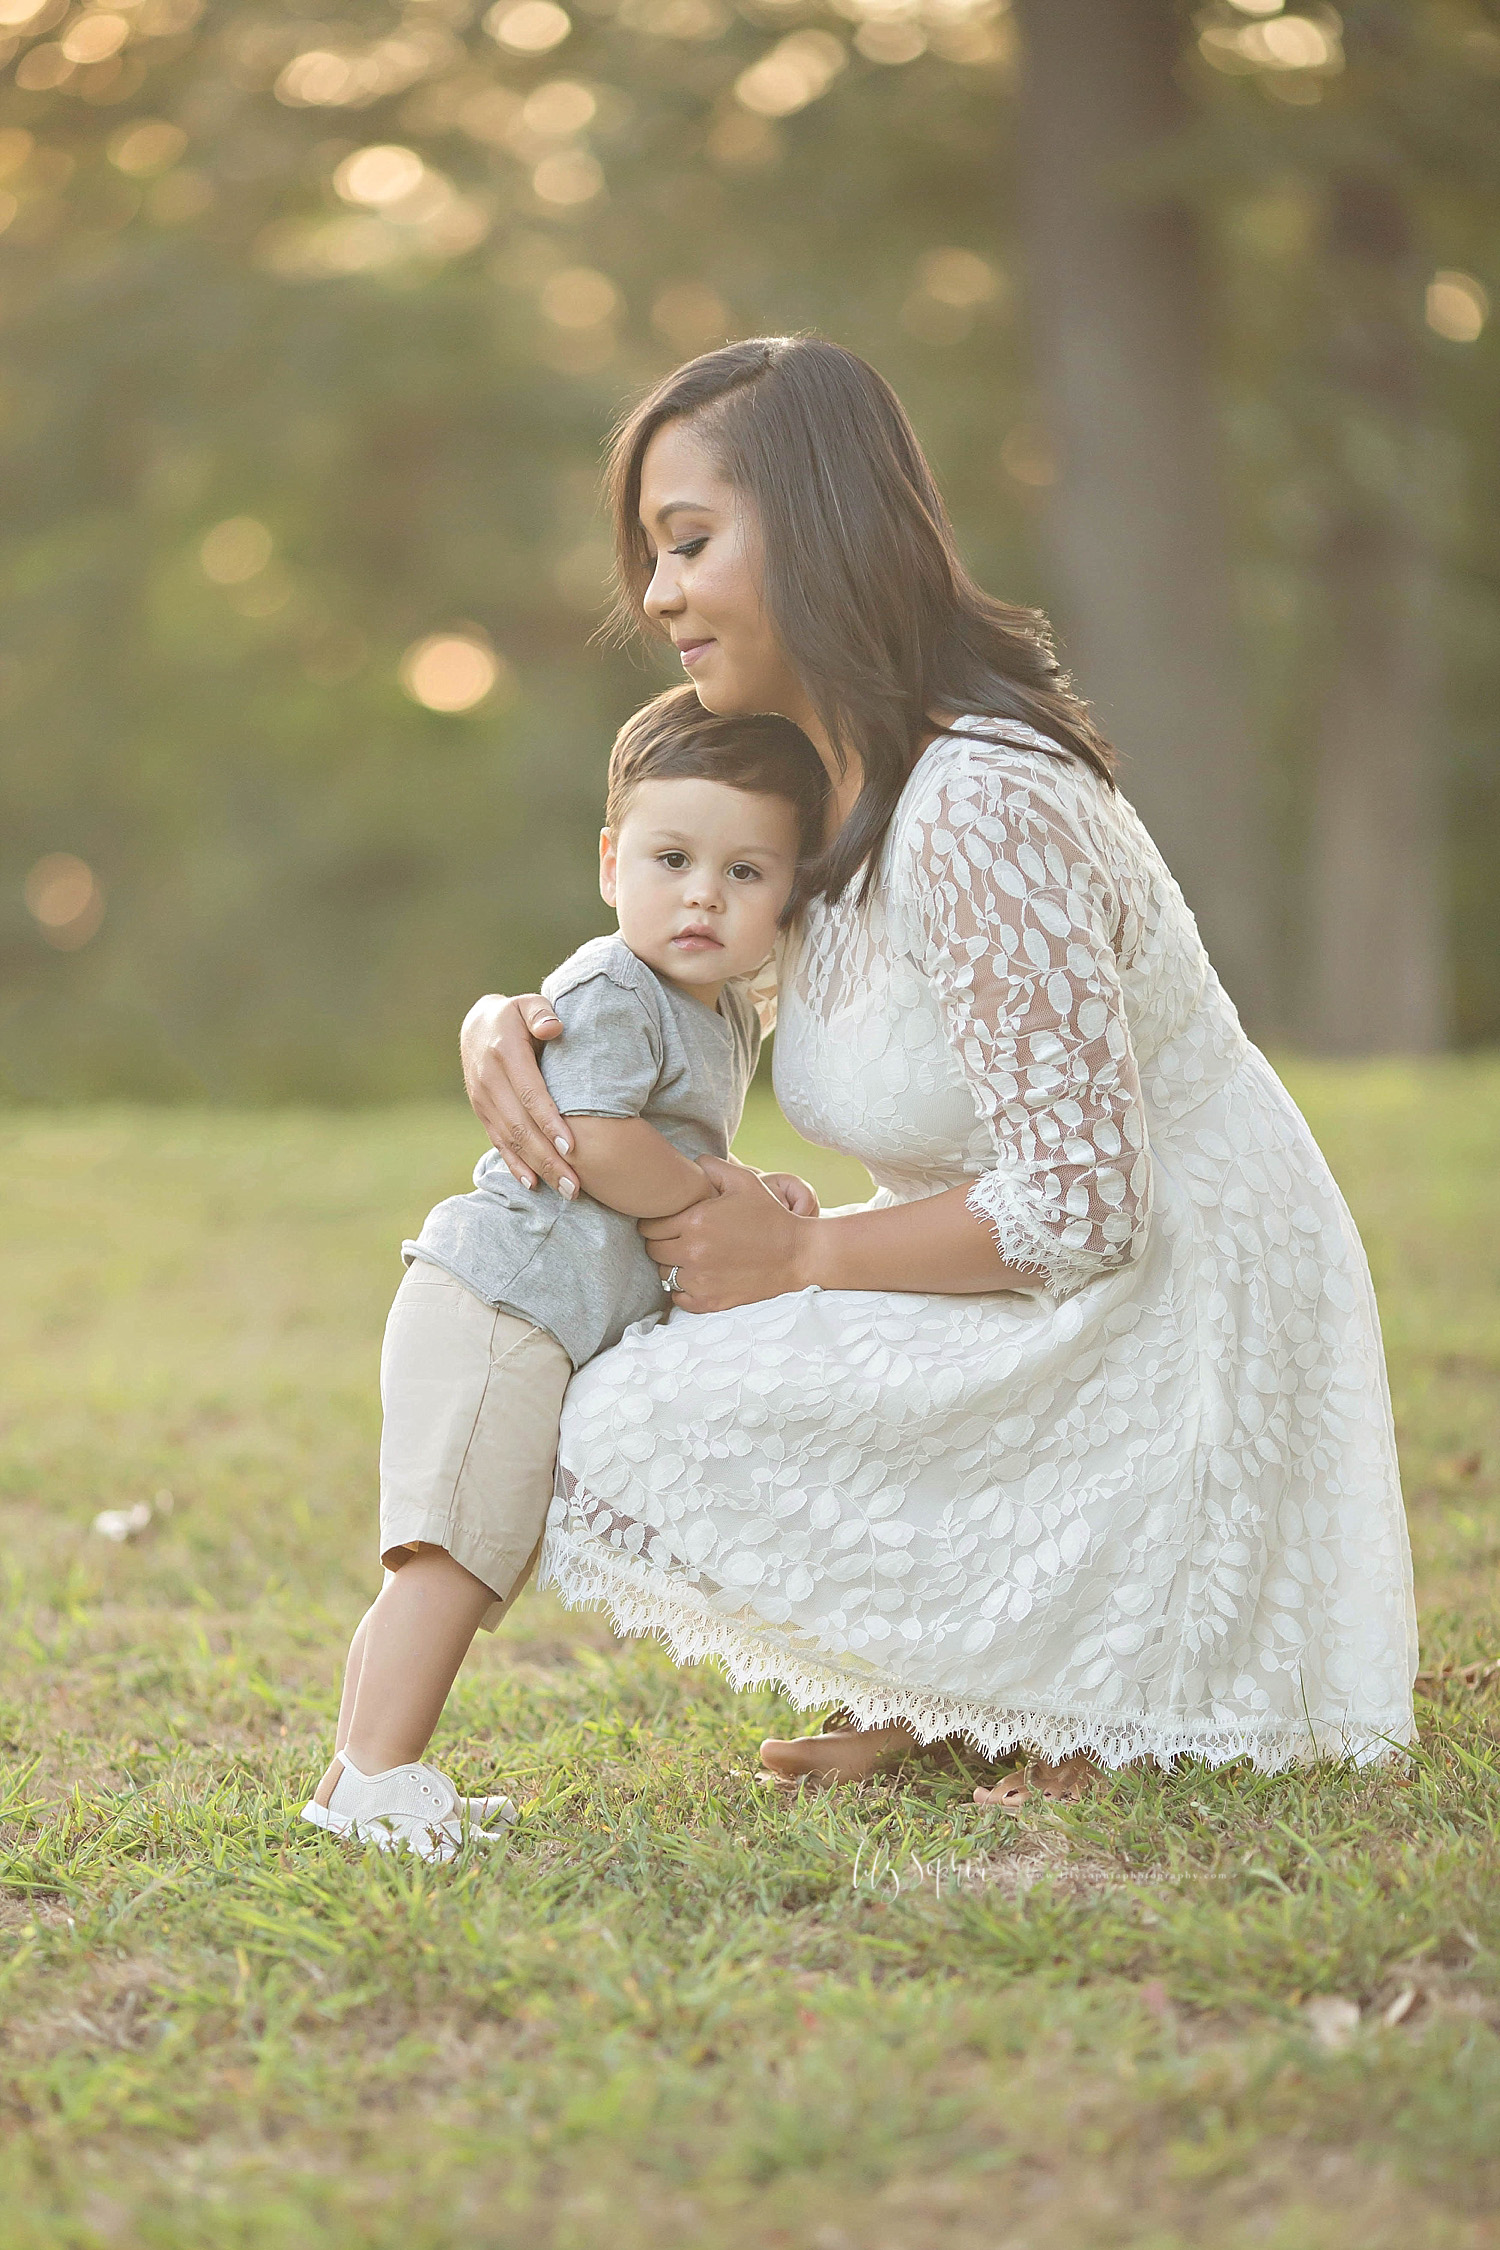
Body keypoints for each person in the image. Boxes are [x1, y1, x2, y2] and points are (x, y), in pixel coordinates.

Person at [464, 335, 1418, 1802]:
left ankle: (1073, 1682)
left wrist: (800, 1251)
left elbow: (1091, 1206)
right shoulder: (823, 789)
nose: (654, 595)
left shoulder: (977, 795)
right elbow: (677, 970)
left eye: (691, 543)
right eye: (650, 554)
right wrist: (507, 1019)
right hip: (1013, 1288)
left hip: (1170, 1309)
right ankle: (966, 1671)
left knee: (637, 1412)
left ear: (825, 524)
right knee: (630, 1394)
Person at [304, 687, 826, 1857]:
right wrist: (709, 1198)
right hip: (498, 1303)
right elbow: (590, 1136)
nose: (704, 893)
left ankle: (364, 1772)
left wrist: (753, 1189)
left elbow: (685, 1147)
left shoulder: (721, 1011)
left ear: (788, 894)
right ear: (610, 862)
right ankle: (370, 1783)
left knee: (463, 1557)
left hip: (527, 1313)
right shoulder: (610, 987)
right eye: (674, 857)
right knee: (453, 1554)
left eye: (747, 874)